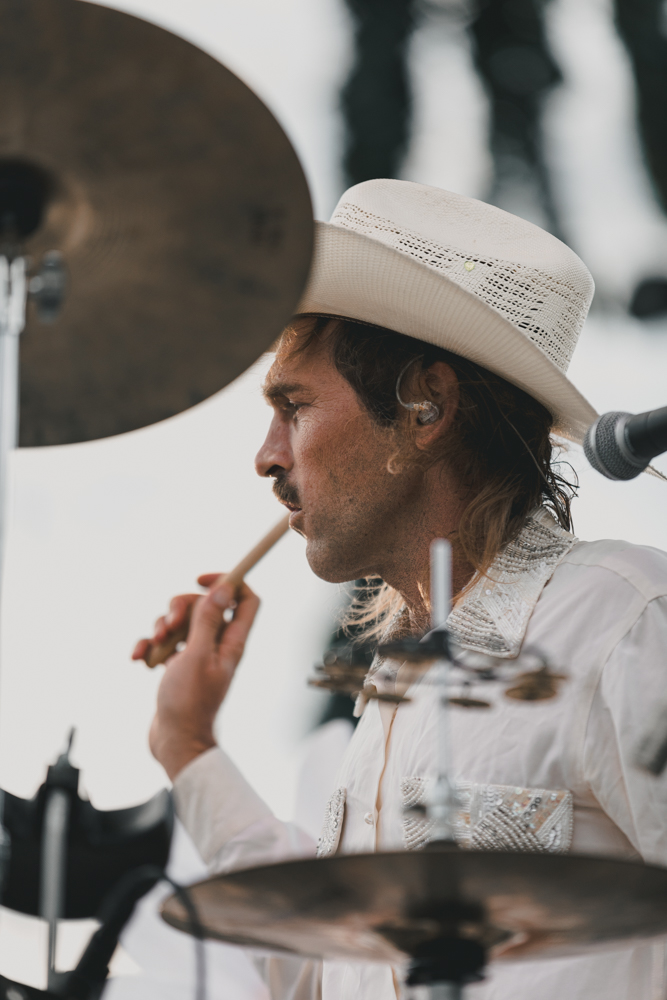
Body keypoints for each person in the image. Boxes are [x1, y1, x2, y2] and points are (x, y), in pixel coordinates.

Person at [134, 179, 667, 1000]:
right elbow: (324, 972)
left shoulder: (621, 617)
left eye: (294, 405)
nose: (267, 455)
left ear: (426, 405)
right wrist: (188, 743)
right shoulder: (397, 683)